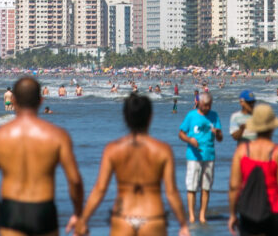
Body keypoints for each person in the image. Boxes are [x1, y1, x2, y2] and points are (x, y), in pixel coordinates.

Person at [72, 94, 190, 236]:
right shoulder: (162, 150)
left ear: (125, 117)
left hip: (123, 217)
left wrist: (83, 220)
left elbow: (100, 189)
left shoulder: (113, 149)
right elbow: (171, 192)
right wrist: (183, 224)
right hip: (153, 217)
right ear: (150, 117)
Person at [0, 76, 84, 236]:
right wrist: (78, 214)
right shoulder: (57, 136)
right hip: (43, 208)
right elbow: (75, 181)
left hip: (11, 209)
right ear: (41, 100)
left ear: (13, 100)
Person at [227, 104, 278, 236]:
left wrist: (232, 214)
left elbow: (234, 186)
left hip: (249, 211)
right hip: (276, 211)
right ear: (272, 127)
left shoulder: (242, 151)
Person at [178, 92, 223, 224]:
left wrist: (218, 133)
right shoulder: (191, 115)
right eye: (205, 105)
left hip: (209, 156)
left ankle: (202, 215)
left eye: (209, 105)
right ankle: (192, 215)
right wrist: (190, 140)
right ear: (199, 103)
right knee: (191, 187)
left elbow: (220, 139)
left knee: (206, 187)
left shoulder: (214, 116)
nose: (207, 108)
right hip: (193, 156)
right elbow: (181, 133)